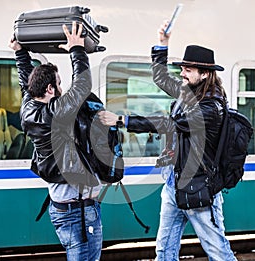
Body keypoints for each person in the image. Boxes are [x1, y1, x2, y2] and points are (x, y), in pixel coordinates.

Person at [99, 21, 237, 261]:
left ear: (205, 74)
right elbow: (161, 77)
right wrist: (163, 43)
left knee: (219, 253)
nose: (182, 74)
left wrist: (122, 120)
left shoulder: (210, 108)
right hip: (175, 185)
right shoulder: (189, 93)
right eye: (182, 68)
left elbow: (167, 123)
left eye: (188, 70)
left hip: (199, 189)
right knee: (164, 250)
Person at [9, 21, 103, 261]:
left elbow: (25, 84)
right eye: (60, 84)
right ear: (50, 89)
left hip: (64, 207)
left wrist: (21, 54)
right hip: (77, 211)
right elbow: (82, 87)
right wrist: (76, 50)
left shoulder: (29, 107)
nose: (63, 88)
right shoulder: (55, 114)